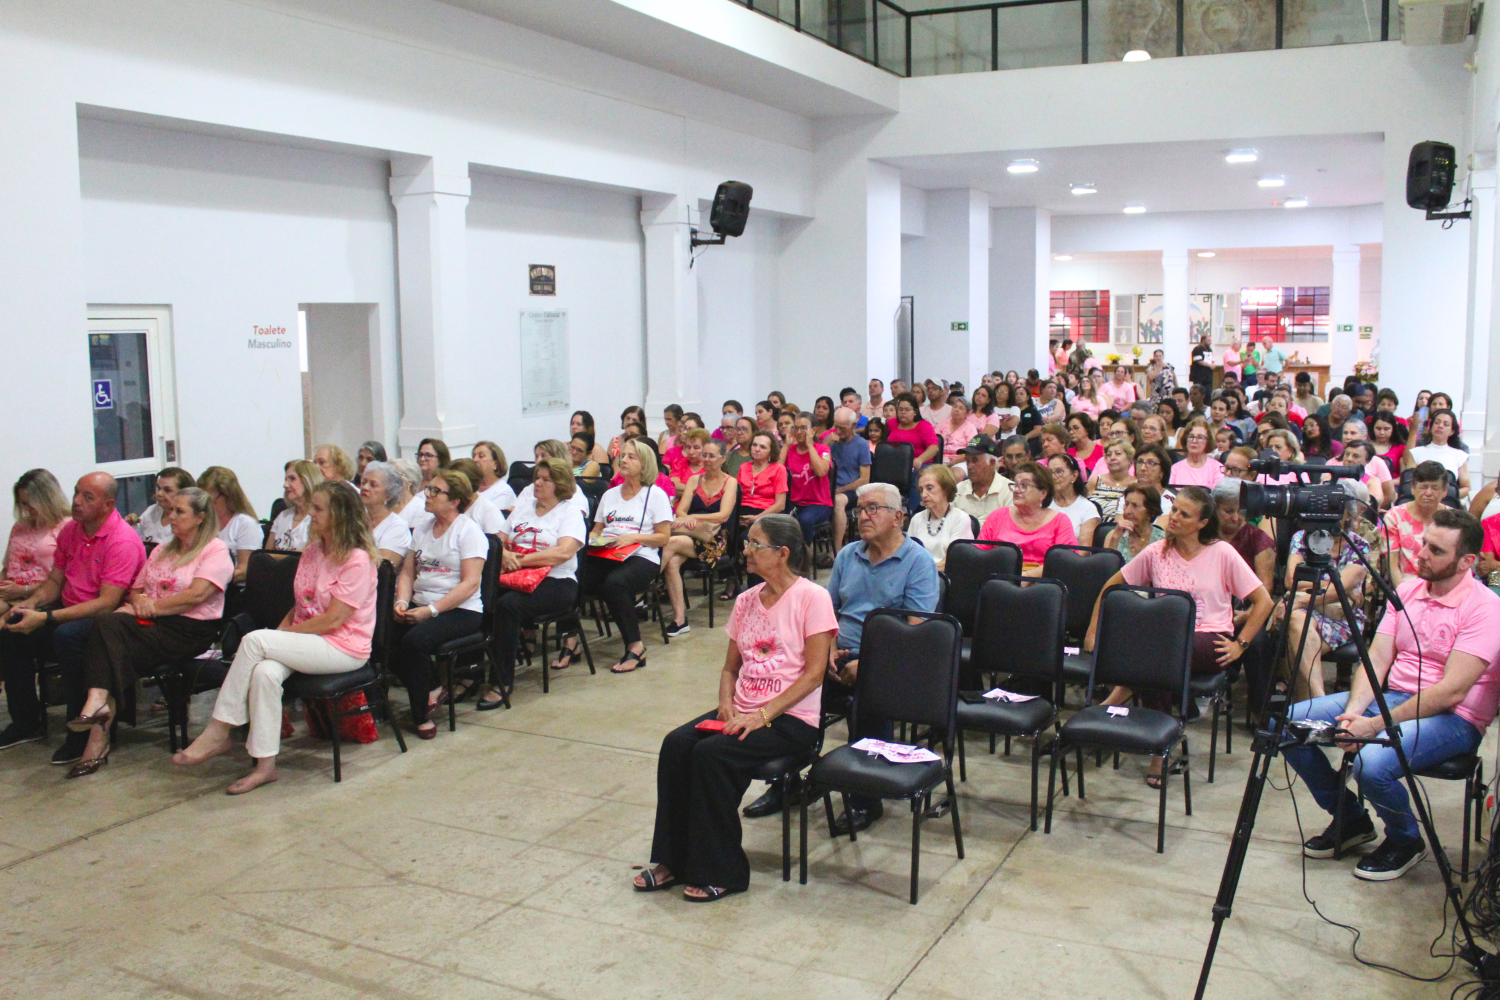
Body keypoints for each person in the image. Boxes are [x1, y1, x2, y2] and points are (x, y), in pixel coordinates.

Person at [1285, 508, 1500, 881]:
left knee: (1371, 763)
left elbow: (1451, 691)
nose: (1421, 554)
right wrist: (1354, 713)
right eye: (1424, 543)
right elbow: (1377, 659)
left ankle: (1406, 840)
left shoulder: (1487, 608)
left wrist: (1372, 726)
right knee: (1288, 726)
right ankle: (1350, 819)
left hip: (1455, 718)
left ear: (1467, 561)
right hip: (1395, 699)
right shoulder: (1408, 591)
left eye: (1436, 550)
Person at [638, 513, 836, 897]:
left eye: (754, 544)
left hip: (790, 718)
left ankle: (723, 870)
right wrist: (725, 703)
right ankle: (673, 859)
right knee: (676, 745)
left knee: (712, 755)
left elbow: (814, 675)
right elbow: (730, 668)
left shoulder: (813, 598)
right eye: (746, 543)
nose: (745, 551)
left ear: (782, 553)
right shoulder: (746, 600)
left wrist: (761, 715)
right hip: (744, 708)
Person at [173, 482, 379, 792]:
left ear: (340, 514)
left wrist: (277, 639)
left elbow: (333, 620)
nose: (311, 514)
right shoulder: (314, 550)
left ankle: (218, 730)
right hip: (309, 640)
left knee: (255, 641)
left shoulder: (357, 560)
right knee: (265, 673)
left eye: (318, 508)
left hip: (344, 647)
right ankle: (265, 766)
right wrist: (280, 638)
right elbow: (301, 605)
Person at [1086, 486, 1273, 786]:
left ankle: (1113, 703)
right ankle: (1160, 746)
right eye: (1174, 510)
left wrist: (1241, 644)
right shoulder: (1157, 551)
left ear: (1202, 522)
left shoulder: (1221, 552)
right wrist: (1093, 629)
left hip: (1211, 639)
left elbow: (1264, 601)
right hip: (1165, 643)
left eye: (1184, 514)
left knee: (1157, 653)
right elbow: (1112, 586)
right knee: (1159, 656)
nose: (1174, 517)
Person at [66, 487, 234, 778]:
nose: (171, 516)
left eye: (179, 511)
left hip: (189, 629)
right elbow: (137, 589)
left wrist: (149, 607)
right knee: (109, 636)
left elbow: (195, 596)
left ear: (200, 517)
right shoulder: (162, 549)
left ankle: (97, 722)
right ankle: (97, 715)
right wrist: (140, 600)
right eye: (170, 511)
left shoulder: (215, 550)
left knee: (109, 630)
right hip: (154, 624)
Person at [823, 483, 940, 832]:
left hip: (893, 658)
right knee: (791, 688)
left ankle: (865, 798)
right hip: (841, 651)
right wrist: (827, 651)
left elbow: (916, 632)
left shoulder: (918, 562)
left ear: (898, 516)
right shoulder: (848, 555)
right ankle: (792, 779)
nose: (863, 516)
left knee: (869, 698)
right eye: (859, 509)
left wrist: (868, 663)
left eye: (872, 508)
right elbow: (827, 613)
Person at [475, 457, 590, 707]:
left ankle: (501, 681)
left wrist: (521, 560)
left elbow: (563, 553)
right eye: (537, 477)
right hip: (515, 574)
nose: (537, 483)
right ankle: (470, 673)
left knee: (507, 606)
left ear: (560, 485)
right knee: (477, 599)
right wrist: (504, 554)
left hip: (557, 581)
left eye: (545, 480)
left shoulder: (570, 512)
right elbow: (498, 540)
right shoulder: (524, 508)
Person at [389, 468, 489, 738]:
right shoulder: (422, 527)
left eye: (435, 491)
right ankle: (432, 686)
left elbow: (470, 584)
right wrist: (402, 601)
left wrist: (430, 611)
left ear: (454, 501)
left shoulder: (469, 532)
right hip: (421, 603)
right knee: (382, 637)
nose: (427, 494)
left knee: (415, 641)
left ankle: (421, 716)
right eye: (428, 489)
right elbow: (408, 572)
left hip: (460, 610)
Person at [577, 441, 673, 674]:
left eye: (632, 457)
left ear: (645, 464)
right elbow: (597, 529)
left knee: (615, 584)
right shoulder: (610, 494)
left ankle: (635, 647)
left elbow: (663, 538)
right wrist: (593, 539)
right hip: (608, 551)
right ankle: (571, 641)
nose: (624, 460)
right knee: (574, 576)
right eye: (623, 456)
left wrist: (633, 538)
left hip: (642, 555)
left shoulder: (655, 495)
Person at [1277, 502, 1373, 701]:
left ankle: (1308, 705)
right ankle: (1318, 701)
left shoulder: (1359, 544)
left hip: (1341, 616)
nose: (1329, 517)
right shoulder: (1302, 538)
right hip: (1307, 609)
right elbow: (1292, 580)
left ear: (1348, 515)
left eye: (1336, 511)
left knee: (1297, 636)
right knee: (1298, 623)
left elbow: (1337, 588)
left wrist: (1303, 598)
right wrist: (1341, 588)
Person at [659, 439, 739, 638]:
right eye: (705, 455)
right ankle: (680, 620)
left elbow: (723, 515)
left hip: (717, 538)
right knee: (672, 563)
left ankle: (645, 583)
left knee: (670, 542)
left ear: (722, 459)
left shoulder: (730, 482)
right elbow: (681, 510)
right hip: (692, 533)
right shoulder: (695, 480)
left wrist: (695, 517)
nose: (707, 459)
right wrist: (688, 519)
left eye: (712, 456)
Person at [979, 462, 1076, 573]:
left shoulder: (1060, 521)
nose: (1016, 490)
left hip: (1042, 580)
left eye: (1024, 485)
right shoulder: (997, 516)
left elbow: (1064, 562)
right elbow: (979, 555)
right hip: (1000, 577)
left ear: (1043, 493)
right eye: (1015, 485)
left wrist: (1027, 576)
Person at [1, 470, 71, 614]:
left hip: (42, 598)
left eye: (31, 503)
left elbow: (64, 580)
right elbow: (6, 568)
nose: (27, 509)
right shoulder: (20, 526)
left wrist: (23, 590)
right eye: (23, 503)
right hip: (9, 594)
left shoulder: (67, 526)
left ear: (47, 498)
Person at [1384, 460, 1449, 584]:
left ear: (1445, 491)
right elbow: (1392, 565)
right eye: (1423, 487)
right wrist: (1403, 593)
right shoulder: (1394, 516)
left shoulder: (1453, 519)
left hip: (1443, 585)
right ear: (1413, 488)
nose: (1428, 493)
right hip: (1406, 585)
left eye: (1435, 488)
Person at [196, 466, 261, 584]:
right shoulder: (203, 522)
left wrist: (209, 581)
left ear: (227, 496)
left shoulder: (245, 524)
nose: (206, 506)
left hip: (233, 588)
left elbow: (244, 570)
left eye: (211, 500)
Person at [907, 465, 973, 570]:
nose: (924, 494)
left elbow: (953, 562)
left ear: (946, 488)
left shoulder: (960, 518)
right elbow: (909, 556)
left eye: (929, 488)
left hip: (946, 576)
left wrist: (924, 571)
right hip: (918, 574)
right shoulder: (917, 519)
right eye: (921, 490)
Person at [785, 413, 833, 544]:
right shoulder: (791, 450)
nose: (799, 432)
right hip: (795, 502)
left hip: (819, 503)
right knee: (777, 518)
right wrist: (786, 446)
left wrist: (810, 446)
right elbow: (777, 471)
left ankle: (803, 553)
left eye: (803, 428)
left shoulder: (823, 449)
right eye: (796, 428)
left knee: (804, 520)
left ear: (813, 430)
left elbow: (821, 472)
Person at [829, 407, 872, 549]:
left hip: (852, 490)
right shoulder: (831, 443)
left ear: (854, 425)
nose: (838, 431)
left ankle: (836, 549)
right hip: (831, 488)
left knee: (838, 500)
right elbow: (821, 464)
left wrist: (840, 490)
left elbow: (864, 479)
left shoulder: (862, 445)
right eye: (836, 427)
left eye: (842, 428)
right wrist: (825, 445)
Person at [1404, 408, 1470, 498]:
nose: (1440, 426)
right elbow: (1409, 484)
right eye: (1437, 423)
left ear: (1452, 431)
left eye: (1446, 424)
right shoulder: (1416, 453)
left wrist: (1447, 495)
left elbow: (1466, 488)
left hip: (1448, 501)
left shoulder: (1460, 456)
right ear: (1431, 427)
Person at [359, 461, 413, 566]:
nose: (365, 487)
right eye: (363, 482)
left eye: (373, 485)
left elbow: (383, 567)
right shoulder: (356, 519)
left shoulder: (397, 527)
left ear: (388, 495)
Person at [736, 430, 789, 530]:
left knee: (745, 537)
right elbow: (735, 497)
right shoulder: (744, 467)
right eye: (754, 445)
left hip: (766, 514)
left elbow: (780, 505)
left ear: (771, 452)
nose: (757, 449)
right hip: (742, 512)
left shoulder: (778, 469)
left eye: (762, 447)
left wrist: (757, 518)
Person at [953, 436, 1014, 522]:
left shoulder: (1010, 491)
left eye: (975, 461)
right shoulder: (958, 490)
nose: (969, 466)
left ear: (992, 462)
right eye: (967, 461)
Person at [267, 459, 322, 552]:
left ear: (308, 480)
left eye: (292, 479)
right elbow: (266, 554)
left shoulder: (318, 517)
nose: (285, 485)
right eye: (285, 480)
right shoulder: (282, 516)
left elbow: (306, 556)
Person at [130, 467, 195, 545]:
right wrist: (133, 520)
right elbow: (139, 521)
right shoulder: (152, 510)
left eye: (167, 490)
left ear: (184, 493)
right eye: (158, 488)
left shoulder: (188, 520)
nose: (159, 493)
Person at [1046, 454, 1099, 547]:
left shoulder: (1088, 508)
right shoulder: (1043, 505)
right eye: (1050, 472)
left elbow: (1084, 550)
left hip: (1073, 555)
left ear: (1074, 476)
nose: (1053, 477)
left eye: (1059, 471)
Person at [886, 392, 940, 480]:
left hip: (919, 465)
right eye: (900, 409)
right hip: (895, 463)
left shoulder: (924, 425)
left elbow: (934, 448)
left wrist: (920, 459)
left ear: (915, 412)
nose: (903, 412)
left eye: (907, 409)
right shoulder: (892, 423)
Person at [1104, 485, 1164, 562]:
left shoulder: (1163, 540)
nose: (1127, 511)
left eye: (1135, 506)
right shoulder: (1113, 536)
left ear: (1150, 512)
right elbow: (1108, 567)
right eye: (1126, 504)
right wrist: (1115, 538)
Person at [400, 438, 450, 524]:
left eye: (428, 455)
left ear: (440, 459)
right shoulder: (412, 480)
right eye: (420, 455)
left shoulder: (444, 484)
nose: (422, 459)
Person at [1087, 439, 1135, 521]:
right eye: (1109, 455)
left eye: (1118, 454)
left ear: (1129, 460)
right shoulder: (1095, 482)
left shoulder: (1136, 485)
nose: (1112, 458)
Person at [1170, 419, 1225, 488]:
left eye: (1200, 437)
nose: (1194, 441)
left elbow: (1217, 494)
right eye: (1191, 436)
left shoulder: (1217, 468)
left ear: (1208, 441)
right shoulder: (1175, 468)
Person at [472, 440, 518, 513]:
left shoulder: (504, 491)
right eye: (474, 456)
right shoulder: (471, 487)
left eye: (481, 456)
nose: (475, 460)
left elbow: (490, 516)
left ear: (495, 463)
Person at [1066, 413, 1104, 477]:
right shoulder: (1069, 453)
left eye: (1076, 428)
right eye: (1069, 429)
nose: (1071, 432)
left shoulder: (1102, 451)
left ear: (1087, 429)